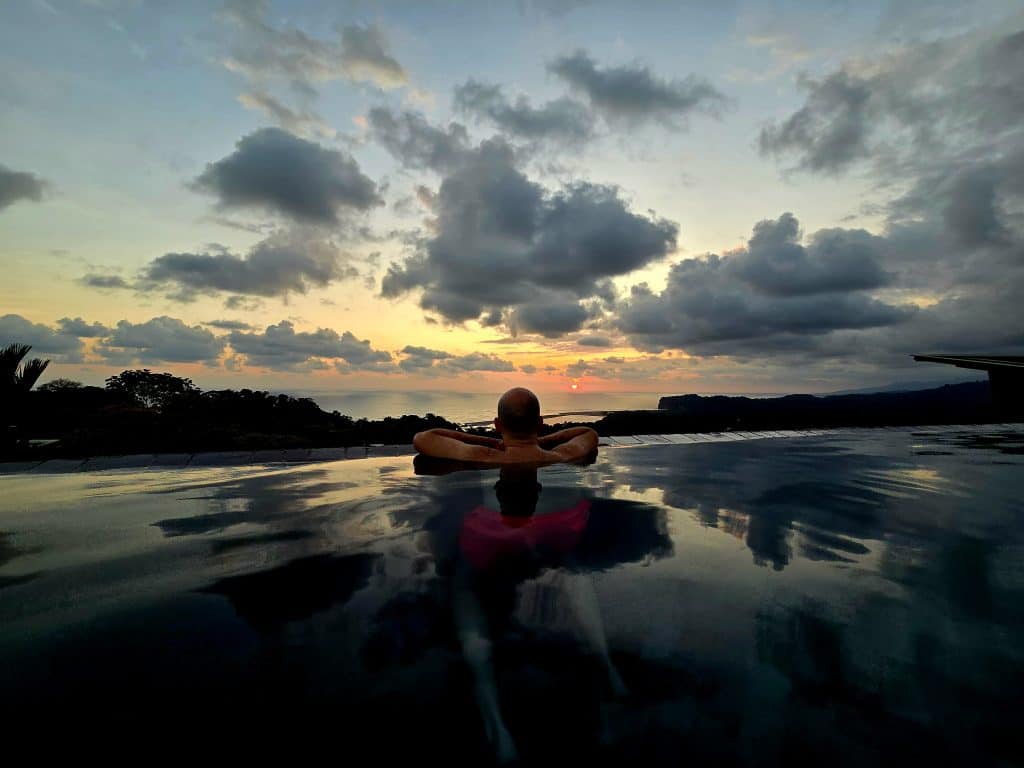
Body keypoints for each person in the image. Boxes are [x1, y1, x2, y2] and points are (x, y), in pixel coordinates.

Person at [412, 387, 599, 465]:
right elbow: (588, 433)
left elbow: (422, 438)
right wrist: (542, 441)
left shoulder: (480, 456)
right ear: (540, 424)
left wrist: (489, 442)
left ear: (497, 425)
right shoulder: (560, 456)